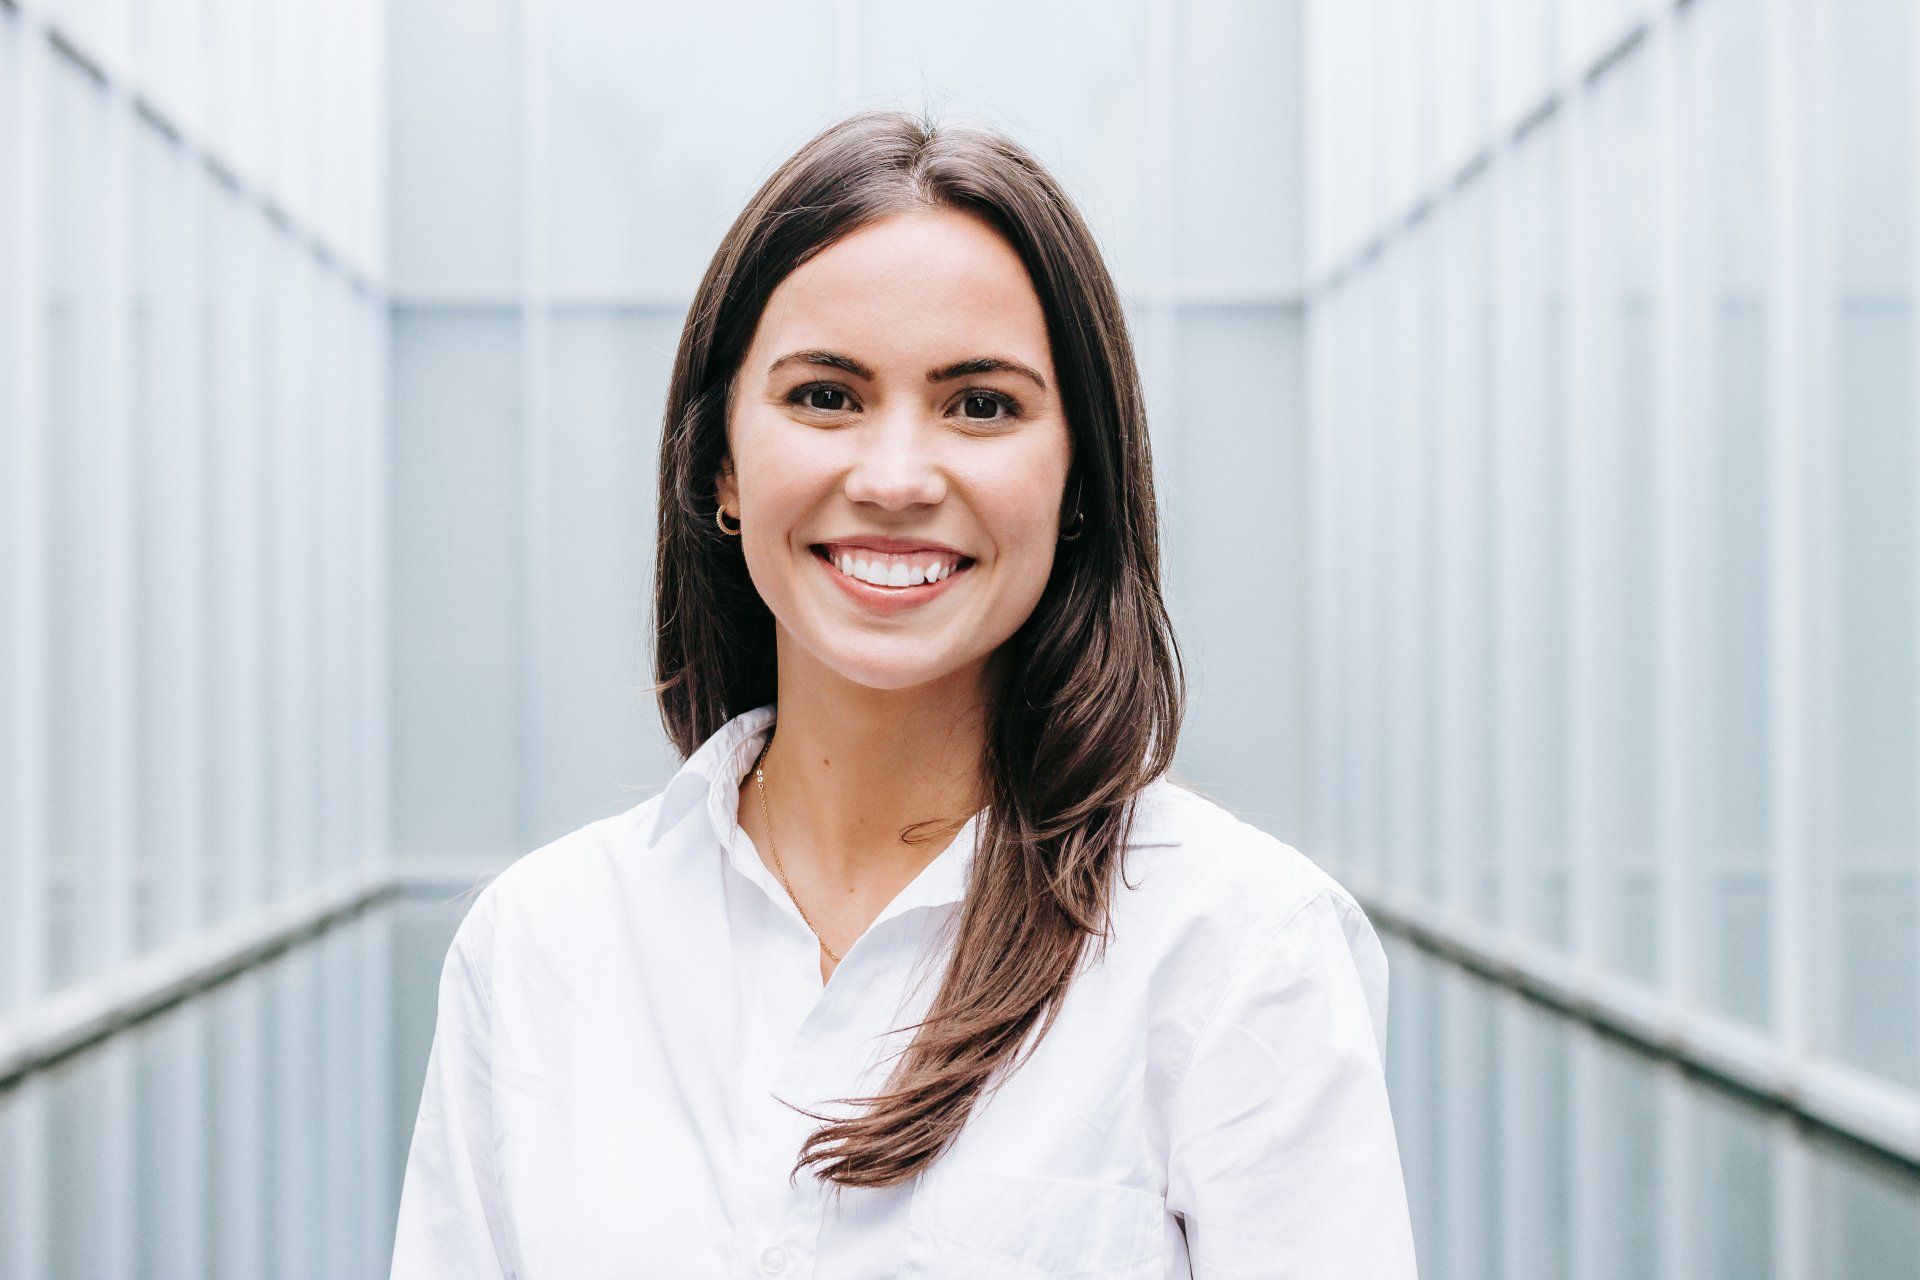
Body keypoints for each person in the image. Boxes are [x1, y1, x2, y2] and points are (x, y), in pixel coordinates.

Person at [390, 106, 1417, 1279]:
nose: (892, 477)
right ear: (722, 464)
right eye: (825, 395)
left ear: (1077, 477)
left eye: (982, 404)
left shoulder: (1235, 946)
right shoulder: (540, 945)